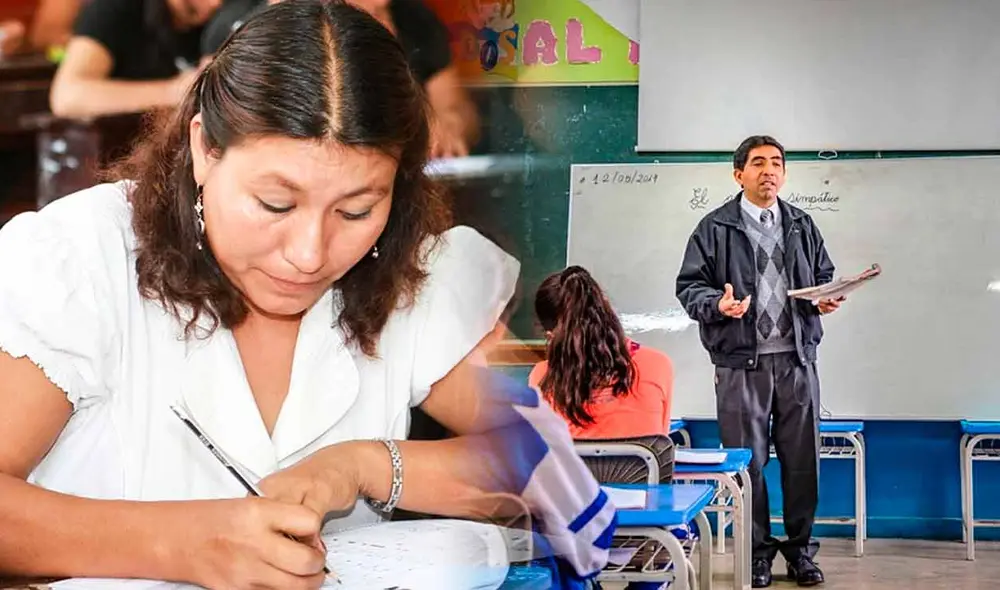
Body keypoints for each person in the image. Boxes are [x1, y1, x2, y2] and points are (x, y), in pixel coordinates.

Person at [0, 2, 616, 587]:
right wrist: (184, 543)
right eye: (275, 203)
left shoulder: (406, 274)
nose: (310, 253)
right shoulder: (85, 258)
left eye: (356, 210)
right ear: (203, 149)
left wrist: (365, 465)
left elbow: (533, 460)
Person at [676, 135, 842, 588]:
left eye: (776, 163)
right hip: (739, 366)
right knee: (746, 467)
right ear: (739, 174)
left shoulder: (801, 224)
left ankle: (802, 554)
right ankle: (757, 555)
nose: (769, 170)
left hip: (797, 362)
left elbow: (823, 275)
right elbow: (690, 288)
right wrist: (717, 305)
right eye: (758, 163)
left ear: (784, 174)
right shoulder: (714, 228)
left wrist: (825, 298)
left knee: (802, 461)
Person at [268, 0, 479, 158]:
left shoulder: (414, 19)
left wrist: (450, 124)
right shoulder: (269, 30)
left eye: (382, 11)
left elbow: (457, 106)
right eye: (371, 12)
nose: (381, 7)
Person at [529, 266, 673, 441]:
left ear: (551, 336)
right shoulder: (658, 364)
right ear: (607, 314)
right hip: (640, 469)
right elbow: (661, 448)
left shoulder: (543, 377)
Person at [48, 0, 221, 118]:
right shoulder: (116, 7)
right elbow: (67, 95)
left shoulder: (225, 16)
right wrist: (173, 91)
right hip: (117, 152)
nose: (216, 3)